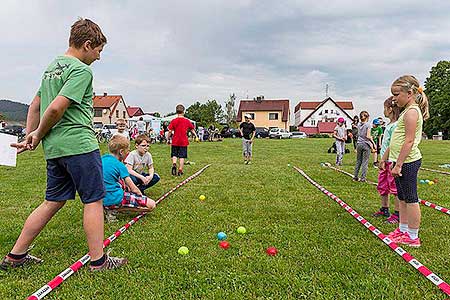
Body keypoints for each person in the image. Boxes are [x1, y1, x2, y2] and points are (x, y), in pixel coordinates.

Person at [1, 18, 127, 271]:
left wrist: (32, 132)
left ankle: (15, 256)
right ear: (88, 44)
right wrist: (36, 134)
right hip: (79, 145)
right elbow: (57, 106)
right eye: (99, 51)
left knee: (52, 201)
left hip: (55, 149)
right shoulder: (81, 70)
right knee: (94, 200)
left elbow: (36, 104)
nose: (99, 58)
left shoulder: (52, 68)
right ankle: (99, 262)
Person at [385, 75, 429, 247]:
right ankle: (402, 229)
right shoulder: (406, 111)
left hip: (408, 162)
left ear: (409, 93)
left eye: (396, 94)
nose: (394, 99)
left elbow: (409, 141)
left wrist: (399, 164)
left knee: (411, 198)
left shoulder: (411, 112)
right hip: (400, 161)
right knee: (402, 197)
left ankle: (413, 235)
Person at [102, 135, 156, 211]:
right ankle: (116, 209)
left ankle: (107, 207)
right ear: (121, 152)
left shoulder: (102, 160)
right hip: (115, 198)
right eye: (127, 151)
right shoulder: (120, 166)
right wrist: (141, 196)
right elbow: (133, 189)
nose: (128, 153)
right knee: (152, 205)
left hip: (100, 198)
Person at [372, 97, 400, 223]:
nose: (383, 111)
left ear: (390, 109)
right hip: (385, 161)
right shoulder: (388, 125)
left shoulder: (396, 126)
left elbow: (392, 145)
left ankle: (398, 213)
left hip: (391, 160)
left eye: (384, 108)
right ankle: (384, 208)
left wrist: (384, 159)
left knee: (395, 188)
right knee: (383, 185)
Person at [167, 104, 199, 176]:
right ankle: (180, 170)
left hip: (175, 140)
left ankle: (174, 164)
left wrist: (168, 139)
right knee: (182, 156)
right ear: (183, 111)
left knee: (174, 155)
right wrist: (196, 136)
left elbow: (169, 131)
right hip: (183, 141)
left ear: (176, 112)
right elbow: (192, 130)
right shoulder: (187, 121)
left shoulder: (174, 121)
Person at [353, 111, 376, 182]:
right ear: (367, 117)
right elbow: (368, 136)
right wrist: (373, 143)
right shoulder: (368, 125)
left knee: (358, 161)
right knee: (365, 162)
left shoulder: (359, 124)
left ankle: (355, 177)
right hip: (366, 144)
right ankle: (363, 178)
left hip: (359, 144)